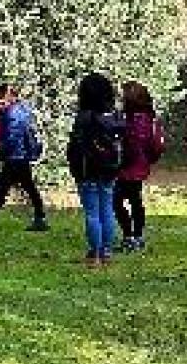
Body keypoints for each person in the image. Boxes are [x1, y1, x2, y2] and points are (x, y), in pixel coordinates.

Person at [66, 72, 125, 267]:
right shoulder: (116, 116)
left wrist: (74, 168)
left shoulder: (84, 117)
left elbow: (75, 146)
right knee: (107, 209)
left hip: (87, 170)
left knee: (92, 212)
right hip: (110, 169)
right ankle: (106, 252)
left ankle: (94, 254)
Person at [0, 83, 49, 231]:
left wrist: (2, 150)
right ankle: (40, 217)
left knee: (4, 188)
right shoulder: (20, 110)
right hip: (20, 155)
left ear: (8, 96)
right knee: (27, 187)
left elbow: (12, 136)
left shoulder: (12, 114)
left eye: (0, 97)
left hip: (15, 155)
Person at [114, 80, 166, 252]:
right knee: (134, 200)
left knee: (119, 200)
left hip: (125, 166)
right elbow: (157, 146)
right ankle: (136, 236)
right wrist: (148, 160)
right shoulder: (150, 121)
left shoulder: (126, 119)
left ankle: (131, 236)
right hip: (137, 167)